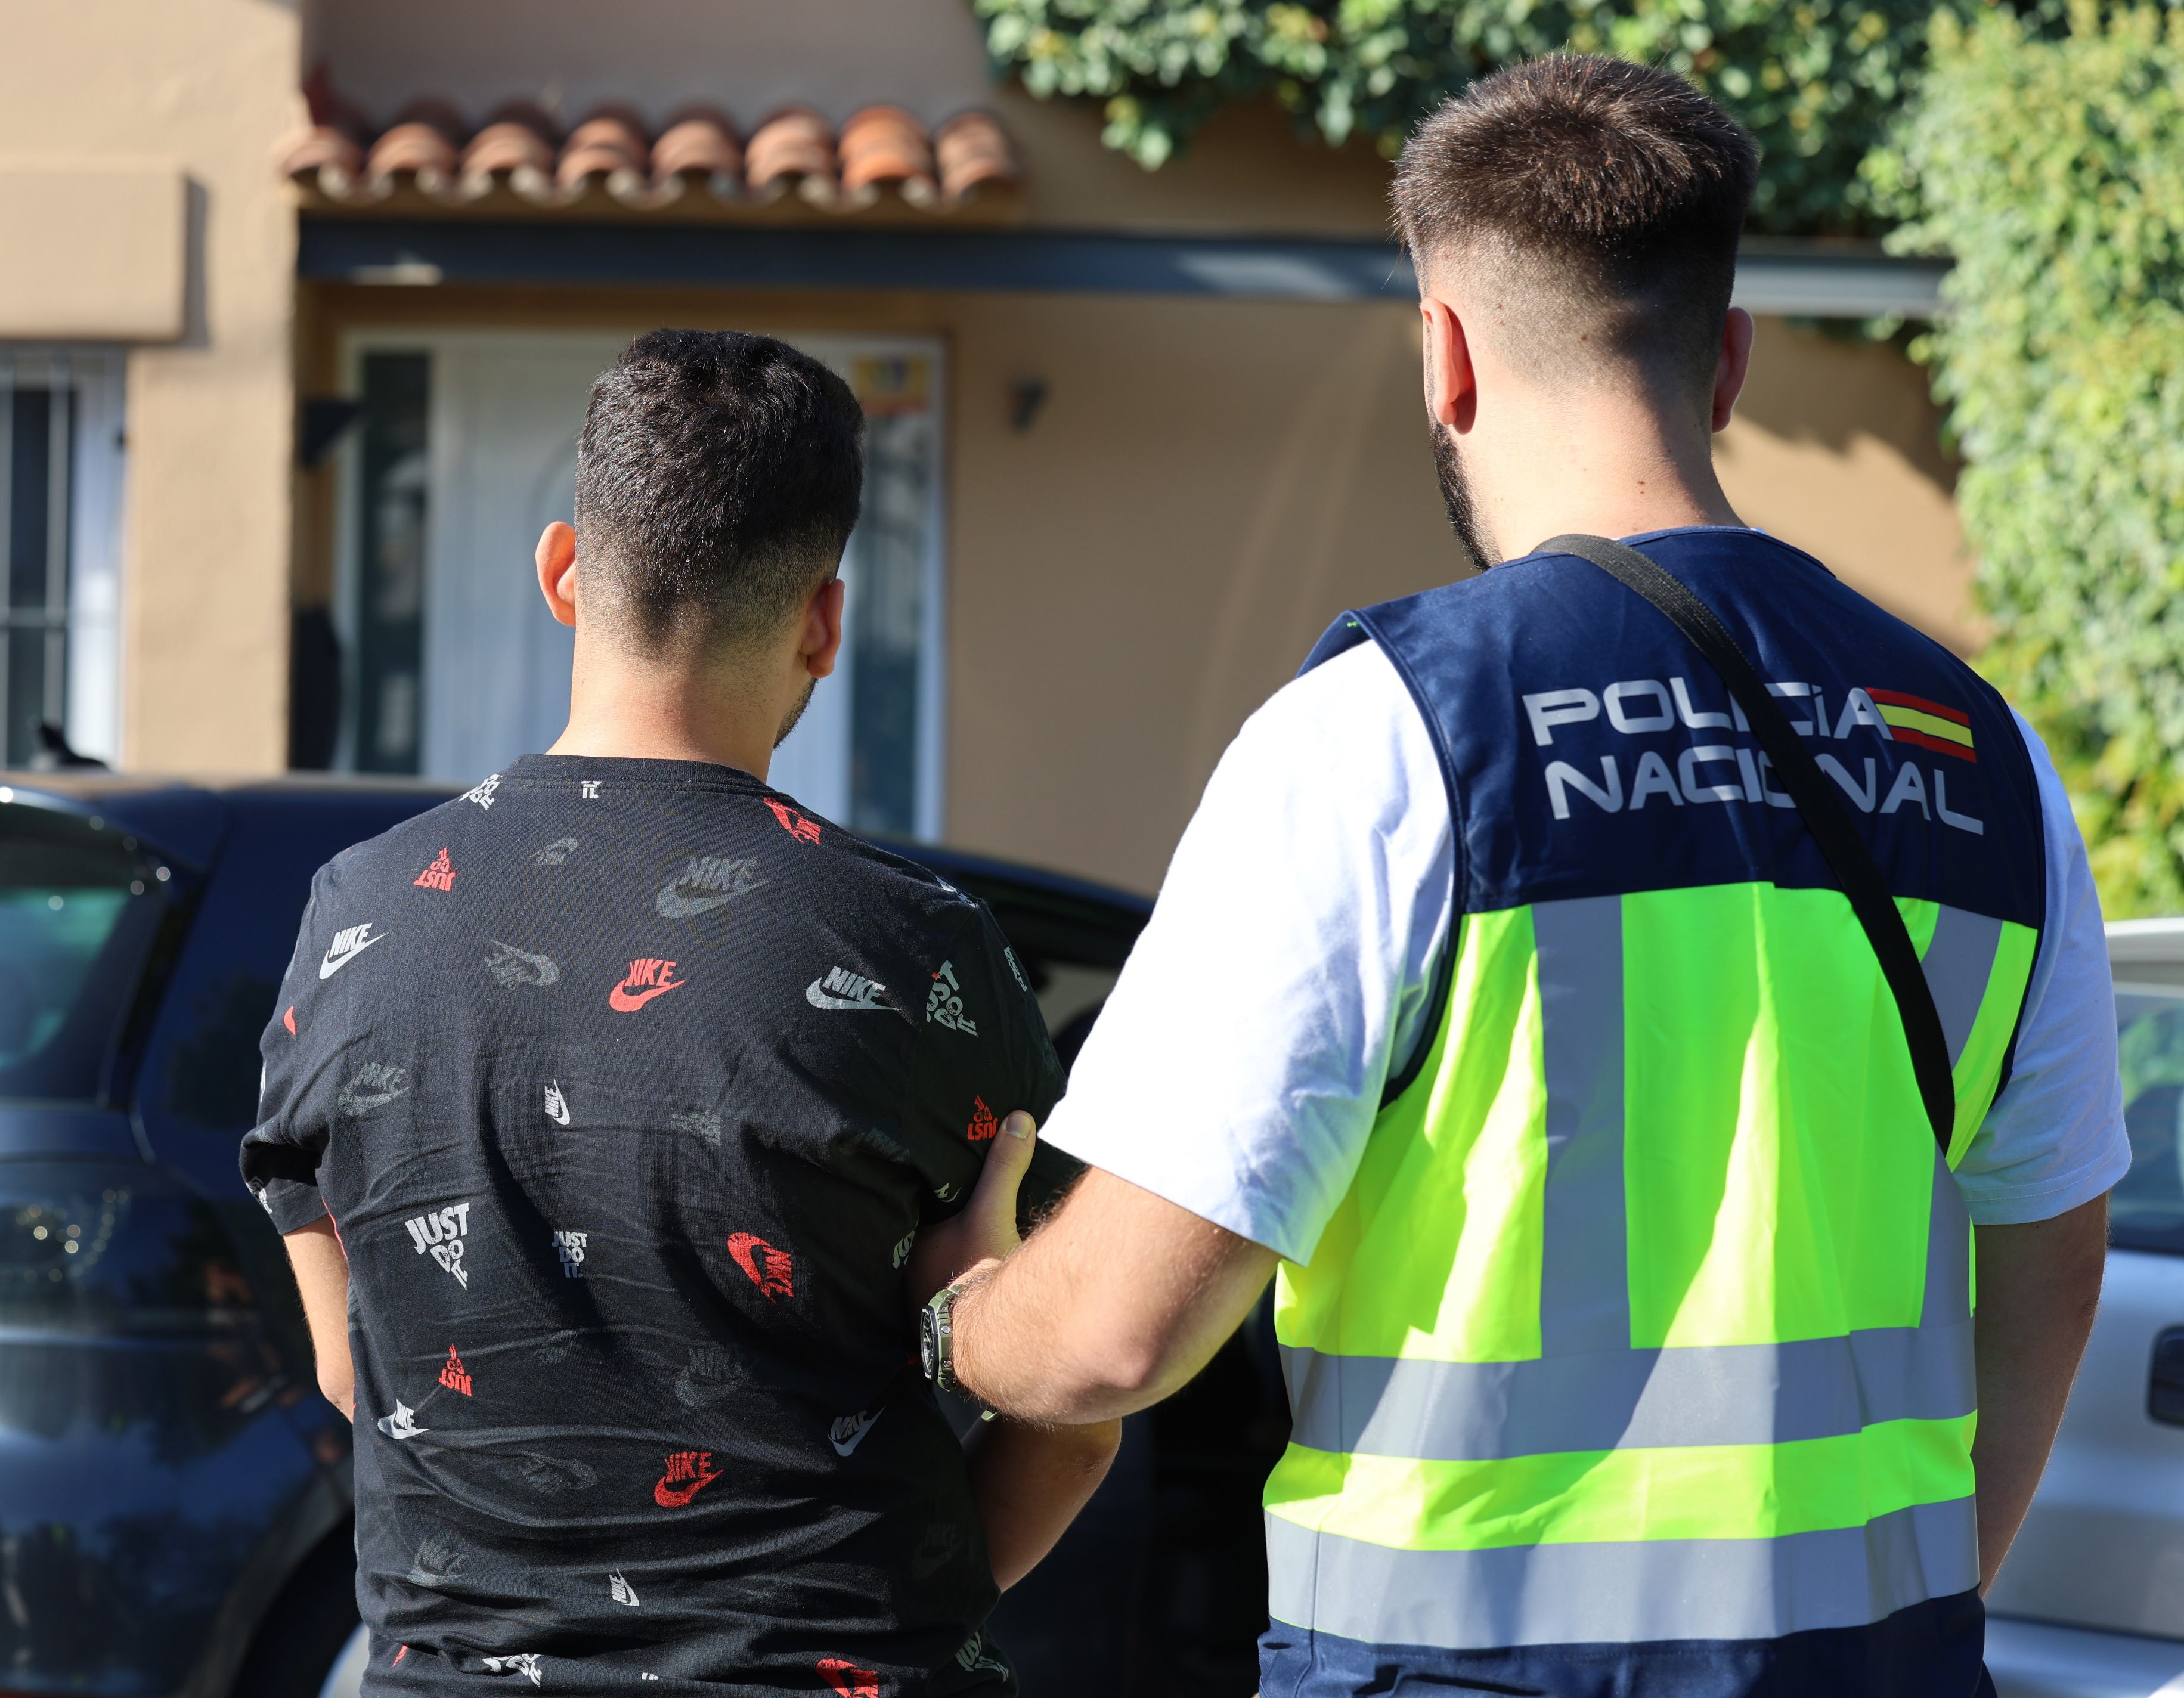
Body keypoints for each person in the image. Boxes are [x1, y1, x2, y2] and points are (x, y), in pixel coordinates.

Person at [909, 57, 2125, 1698]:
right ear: (1733, 363)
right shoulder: (1982, 756)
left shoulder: (1386, 739)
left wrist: (957, 1317)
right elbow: (2049, 1263)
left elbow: (1120, 1336)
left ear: (1448, 355)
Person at [242, 329, 1119, 1696]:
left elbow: (361, 1374)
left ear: (562, 574)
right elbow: (1073, 1416)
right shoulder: (915, 947)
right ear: (824, 622)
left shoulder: (355, 918)